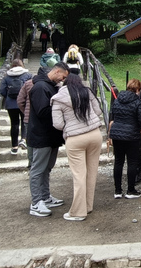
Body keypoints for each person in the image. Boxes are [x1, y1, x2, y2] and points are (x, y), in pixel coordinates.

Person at [51, 73, 104, 221]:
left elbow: (57, 124)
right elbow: (98, 111)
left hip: (75, 139)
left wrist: (70, 125)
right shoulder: (87, 91)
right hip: (94, 135)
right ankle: (88, 206)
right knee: (91, 172)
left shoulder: (58, 98)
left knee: (79, 175)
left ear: (64, 82)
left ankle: (78, 212)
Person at [27, 62, 69, 217]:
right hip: (41, 136)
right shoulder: (40, 88)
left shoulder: (50, 86)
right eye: (63, 76)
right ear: (57, 71)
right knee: (38, 170)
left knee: (47, 168)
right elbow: (43, 111)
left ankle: (45, 197)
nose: (62, 80)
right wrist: (62, 109)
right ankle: (36, 203)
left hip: (51, 136)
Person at [108, 78, 141, 199]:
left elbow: (113, 116)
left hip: (117, 135)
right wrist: (140, 126)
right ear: (137, 89)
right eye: (139, 90)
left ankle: (117, 190)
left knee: (118, 162)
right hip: (132, 135)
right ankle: (130, 190)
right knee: (132, 162)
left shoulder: (117, 100)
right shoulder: (138, 102)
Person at [0, 59, 31, 155]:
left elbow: (2, 91)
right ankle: (24, 139)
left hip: (11, 103)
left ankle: (14, 147)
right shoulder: (28, 75)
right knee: (25, 121)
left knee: (14, 124)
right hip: (24, 102)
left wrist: (8, 97)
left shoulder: (6, 77)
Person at [16, 72, 36, 169]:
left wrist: (25, 112)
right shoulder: (51, 83)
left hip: (28, 118)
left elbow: (20, 100)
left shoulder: (28, 83)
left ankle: (31, 163)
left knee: (30, 142)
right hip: (44, 118)